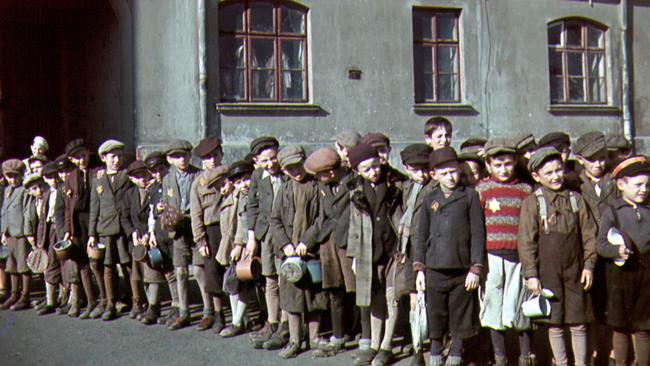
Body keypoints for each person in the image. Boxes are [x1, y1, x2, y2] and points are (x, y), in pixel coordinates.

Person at [518, 147, 597, 366]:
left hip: (575, 269)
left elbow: (589, 235)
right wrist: (531, 275)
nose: (555, 176)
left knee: (578, 321)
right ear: (536, 176)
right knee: (554, 322)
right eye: (549, 173)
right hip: (547, 271)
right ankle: (561, 363)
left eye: (558, 170)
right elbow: (526, 242)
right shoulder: (532, 203)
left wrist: (589, 265)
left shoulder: (576, 199)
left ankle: (581, 363)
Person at [413, 147, 486, 366]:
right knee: (436, 311)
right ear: (434, 174)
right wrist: (419, 269)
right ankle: (436, 348)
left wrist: (475, 268)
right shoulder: (429, 199)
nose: (450, 177)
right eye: (444, 173)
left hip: (461, 268)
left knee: (460, 311)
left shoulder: (469, 196)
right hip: (434, 267)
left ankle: (456, 350)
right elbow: (420, 235)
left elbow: (478, 234)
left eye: (453, 171)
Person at [475, 138, 533, 366]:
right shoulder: (482, 189)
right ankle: (500, 357)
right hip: (491, 258)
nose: (503, 170)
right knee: (493, 307)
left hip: (517, 257)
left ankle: (525, 356)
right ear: (488, 165)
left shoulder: (525, 190)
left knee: (518, 306)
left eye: (508, 164)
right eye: (497, 165)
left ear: (516, 162)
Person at [345, 143, 404, 366]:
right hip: (369, 252)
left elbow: (402, 216)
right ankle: (373, 345)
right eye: (367, 169)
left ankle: (386, 346)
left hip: (393, 250)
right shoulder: (356, 191)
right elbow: (354, 225)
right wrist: (353, 257)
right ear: (358, 171)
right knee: (374, 298)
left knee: (392, 296)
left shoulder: (394, 185)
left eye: (376, 166)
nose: (374, 172)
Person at [270, 145, 327, 358]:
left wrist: (307, 241)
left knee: (313, 297)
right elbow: (275, 220)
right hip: (289, 254)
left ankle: (314, 337)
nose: (296, 172)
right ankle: (294, 340)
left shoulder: (315, 186)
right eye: (290, 169)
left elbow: (322, 218)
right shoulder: (284, 190)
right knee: (291, 298)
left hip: (309, 252)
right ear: (284, 171)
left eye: (298, 166)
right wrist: (285, 244)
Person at [302, 147, 357, 358]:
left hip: (348, 244)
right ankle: (338, 335)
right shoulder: (324, 186)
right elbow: (321, 219)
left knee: (353, 290)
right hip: (328, 245)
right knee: (334, 291)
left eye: (319, 175)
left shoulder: (353, 183)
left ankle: (358, 333)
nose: (317, 179)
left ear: (332, 172)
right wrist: (307, 241)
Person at [596, 155, 650, 366]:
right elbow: (601, 244)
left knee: (644, 325)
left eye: (647, 185)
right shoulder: (612, 212)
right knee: (620, 325)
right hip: (621, 276)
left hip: (646, 276)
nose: (643, 189)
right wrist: (616, 251)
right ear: (620, 184)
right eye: (638, 185)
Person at [574, 131, 618, 365]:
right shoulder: (575, 184)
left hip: (613, 254)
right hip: (587, 255)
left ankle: (608, 353)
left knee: (611, 305)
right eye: (593, 159)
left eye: (603, 157)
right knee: (590, 307)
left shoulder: (614, 182)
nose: (599, 163)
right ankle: (591, 353)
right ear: (580, 160)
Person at [245, 136, 290, 348]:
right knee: (270, 279)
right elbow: (252, 206)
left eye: (273, 158)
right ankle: (272, 323)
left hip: (285, 235)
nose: (270, 164)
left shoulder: (287, 174)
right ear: (257, 161)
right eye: (265, 161)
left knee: (285, 279)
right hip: (266, 235)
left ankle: (285, 325)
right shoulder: (257, 176)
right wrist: (251, 237)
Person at [396, 143, 435, 366]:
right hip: (410, 250)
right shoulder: (407, 188)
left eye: (424, 168)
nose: (420, 173)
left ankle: (433, 344)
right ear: (406, 168)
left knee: (431, 299)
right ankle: (417, 346)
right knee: (414, 299)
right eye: (414, 169)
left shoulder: (433, 188)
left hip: (429, 249)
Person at [88, 139, 133, 321]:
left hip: (122, 229)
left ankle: (135, 300)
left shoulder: (127, 175)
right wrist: (92, 234)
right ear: (104, 158)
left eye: (120, 156)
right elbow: (94, 208)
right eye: (113, 156)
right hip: (105, 229)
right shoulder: (98, 180)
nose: (117, 160)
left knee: (127, 265)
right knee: (107, 267)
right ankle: (110, 303)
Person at [159, 140, 202, 330]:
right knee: (181, 271)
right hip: (177, 231)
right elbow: (164, 201)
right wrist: (161, 209)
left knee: (200, 271)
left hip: (195, 227)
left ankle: (209, 311)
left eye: (184, 155)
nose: (181, 160)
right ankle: (184, 312)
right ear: (169, 159)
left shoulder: (198, 174)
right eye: (176, 156)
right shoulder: (168, 178)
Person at [64, 138, 106, 319]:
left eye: (83, 156)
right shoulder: (70, 178)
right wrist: (68, 229)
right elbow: (68, 207)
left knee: (96, 262)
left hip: (94, 219)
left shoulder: (97, 173)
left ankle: (105, 298)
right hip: (78, 223)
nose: (82, 160)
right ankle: (90, 301)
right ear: (72, 160)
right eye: (77, 158)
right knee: (82, 263)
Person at [190, 136, 227, 333]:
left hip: (229, 228)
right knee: (212, 273)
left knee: (235, 271)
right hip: (211, 231)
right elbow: (196, 215)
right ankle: (219, 314)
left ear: (222, 154)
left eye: (215, 155)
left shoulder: (230, 175)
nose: (212, 161)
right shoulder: (198, 183)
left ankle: (246, 314)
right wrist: (200, 240)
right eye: (207, 158)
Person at [220, 159, 256, 337]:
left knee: (242, 282)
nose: (243, 184)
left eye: (246, 179)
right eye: (238, 182)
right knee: (234, 281)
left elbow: (252, 223)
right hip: (242, 245)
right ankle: (238, 319)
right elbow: (240, 225)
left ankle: (238, 321)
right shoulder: (241, 196)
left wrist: (242, 244)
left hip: (254, 244)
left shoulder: (255, 194)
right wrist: (238, 245)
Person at [143, 151, 178, 326]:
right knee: (164, 268)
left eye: (161, 169)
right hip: (159, 232)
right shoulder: (153, 189)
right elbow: (151, 214)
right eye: (154, 171)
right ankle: (168, 305)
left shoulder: (172, 182)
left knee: (174, 270)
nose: (158, 174)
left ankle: (177, 305)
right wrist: (151, 233)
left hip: (173, 230)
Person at [121, 160, 156, 320]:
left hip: (150, 238)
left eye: (143, 174)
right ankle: (139, 304)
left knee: (151, 273)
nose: (142, 179)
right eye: (137, 176)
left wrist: (149, 234)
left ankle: (153, 306)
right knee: (137, 273)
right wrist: (132, 233)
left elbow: (155, 216)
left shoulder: (154, 191)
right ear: (132, 179)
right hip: (136, 241)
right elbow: (125, 217)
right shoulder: (129, 194)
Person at [0, 159, 32, 311]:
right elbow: (4, 212)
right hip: (10, 234)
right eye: (9, 176)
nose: (13, 180)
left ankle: (25, 295)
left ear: (21, 175)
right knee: (11, 265)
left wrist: (28, 233)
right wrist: (3, 232)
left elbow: (27, 213)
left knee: (23, 266)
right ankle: (14, 294)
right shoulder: (7, 190)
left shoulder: (25, 191)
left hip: (21, 234)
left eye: (16, 176)